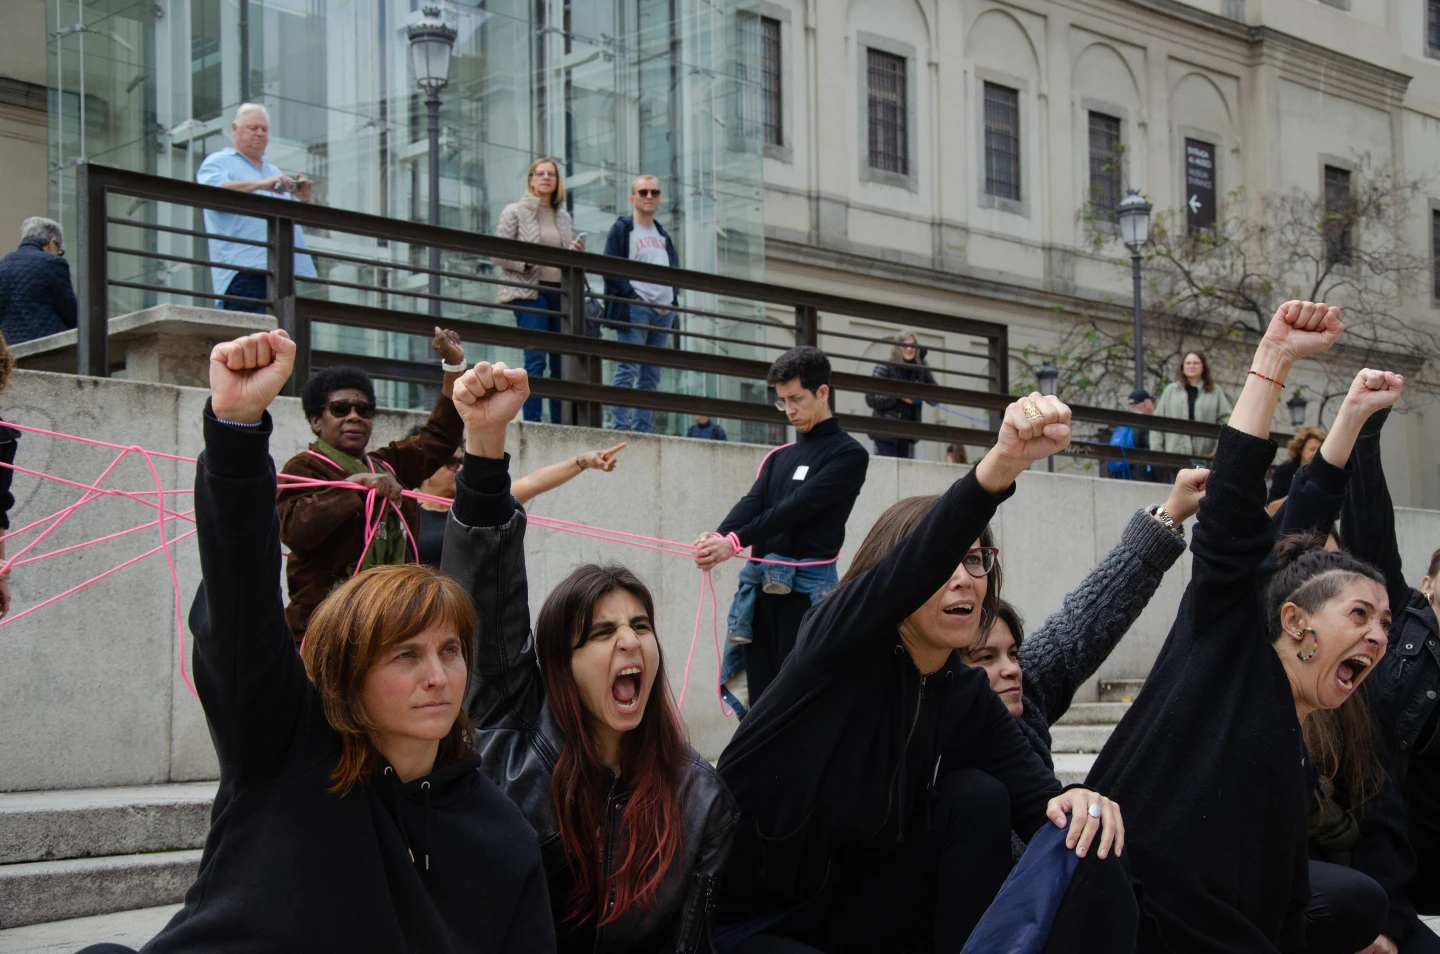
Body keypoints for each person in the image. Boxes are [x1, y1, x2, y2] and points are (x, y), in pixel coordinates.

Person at [73, 330, 554, 954]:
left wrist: (482, 439)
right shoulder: (285, 757)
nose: (438, 677)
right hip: (309, 630)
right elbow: (243, 605)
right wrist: (238, 428)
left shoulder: (501, 834)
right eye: (407, 656)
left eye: (450, 652)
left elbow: (441, 460)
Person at [713, 389, 1130, 954]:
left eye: (977, 560)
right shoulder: (835, 645)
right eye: (947, 560)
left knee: (983, 800)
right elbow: (910, 568)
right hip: (751, 922)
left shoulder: (963, 693)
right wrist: (1000, 467)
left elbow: (1040, 806)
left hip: (860, 909)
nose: (964, 578)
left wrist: (1080, 803)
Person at [1085, 301, 1397, 954]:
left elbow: (1283, 899)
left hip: (1221, 929)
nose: (1377, 636)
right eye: (1360, 615)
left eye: (1384, 622)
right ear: (1296, 620)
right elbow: (1235, 515)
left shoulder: (1294, 738)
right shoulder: (1228, 636)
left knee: (1363, 906)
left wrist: (1353, 416)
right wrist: (1273, 360)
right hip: (1129, 915)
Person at [438, 360, 738, 953]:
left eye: (641, 625)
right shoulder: (512, 738)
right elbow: (487, 593)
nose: (629, 641)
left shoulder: (701, 800)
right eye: (600, 633)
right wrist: (485, 442)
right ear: (559, 663)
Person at [1317, 381, 1440, 953]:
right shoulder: (1401, 640)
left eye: (1379, 619)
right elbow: (1372, 545)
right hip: (1369, 877)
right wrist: (1364, 436)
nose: (1373, 630)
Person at [696, 346, 869, 708]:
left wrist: (734, 541)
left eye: (796, 399)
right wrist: (718, 536)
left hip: (807, 599)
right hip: (760, 595)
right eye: (782, 401)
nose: (789, 410)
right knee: (760, 700)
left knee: (800, 703)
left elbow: (798, 507)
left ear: (823, 392)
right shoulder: (778, 457)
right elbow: (754, 501)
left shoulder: (849, 455)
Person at [275, 328, 465, 641]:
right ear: (315, 420)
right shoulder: (302, 468)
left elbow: (441, 437)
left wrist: (454, 366)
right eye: (339, 409)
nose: (354, 417)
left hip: (392, 623)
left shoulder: (388, 464)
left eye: (364, 410)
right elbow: (296, 530)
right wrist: (354, 487)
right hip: (326, 629)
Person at [411, 437, 626, 567]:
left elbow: (533, 483)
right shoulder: (402, 511)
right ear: (425, 468)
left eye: (462, 461)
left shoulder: (474, 505)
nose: (460, 468)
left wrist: (583, 461)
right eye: (451, 463)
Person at [195, 103, 318, 313]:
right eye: (253, 128)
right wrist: (261, 184)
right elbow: (213, 191)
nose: (260, 134)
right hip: (243, 269)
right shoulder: (219, 162)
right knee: (252, 338)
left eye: (264, 129)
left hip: (282, 270)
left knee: (281, 340)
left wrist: (304, 200)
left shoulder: (274, 171)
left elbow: (303, 221)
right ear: (235, 129)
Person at [492, 157, 586, 424]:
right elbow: (497, 253)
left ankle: (560, 423)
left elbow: (564, 254)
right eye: (540, 173)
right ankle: (532, 421)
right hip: (529, 291)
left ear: (557, 182)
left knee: (561, 364)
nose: (546, 178)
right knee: (535, 361)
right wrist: (526, 260)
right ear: (531, 179)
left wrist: (575, 253)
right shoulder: (514, 211)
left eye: (551, 174)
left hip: (561, 293)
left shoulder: (564, 217)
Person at [604, 175, 679, 433]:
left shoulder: (662, 233)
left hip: (663, 310)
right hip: (636, 306)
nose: (649, 197)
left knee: (651, 375)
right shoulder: (624, 228)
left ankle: (643, 428)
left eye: (655, 192)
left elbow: (674, 269)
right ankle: (621, 427)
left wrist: (673, 301)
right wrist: (632, 296)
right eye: (644, 192)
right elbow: (610, 266)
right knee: (628, 368)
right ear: (632, 197)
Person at [0, 216, 76, 344]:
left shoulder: (2, 265)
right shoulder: (53, 263)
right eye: (59, 251)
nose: (58, 254)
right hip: (47, 347)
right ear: (52, 243)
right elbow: (70, 312)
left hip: (8, 349)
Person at [865, 331, 937, 459]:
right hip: (885, 431)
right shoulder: (885, 367)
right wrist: (898, 396)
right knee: (889, 471)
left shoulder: (921, 369)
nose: (909, 349)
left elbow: (936, 397)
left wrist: (921, 394)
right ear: (897, 348)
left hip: (907, 432)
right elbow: (871, 399)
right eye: (905, 346)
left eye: (913, 345)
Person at [1153, 350, 1232, 459]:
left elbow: (1226, 421)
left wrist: (1218, 449)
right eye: (1188, 363)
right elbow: (1157, 421)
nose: (1191, 366)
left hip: (1204, 457)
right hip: (1173, 456)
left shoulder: (1215, 391)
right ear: (1182, 367)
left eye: (1195, 363)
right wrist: (1156, 452)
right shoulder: (1170, 391)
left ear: (1203, 367)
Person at [1268, 424, 1328, 513]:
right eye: (1312, 449)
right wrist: (1296, 494)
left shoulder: (1326, 472)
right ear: (1300, 450)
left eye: (1319, 450)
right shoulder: (1284, 471)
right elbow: (1271, 507)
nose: (1316, 453)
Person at [1107, 389, 1161, 481]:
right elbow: (1153, 447)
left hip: (1121, 474)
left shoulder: (1122, 424)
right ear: (1147, 402)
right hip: (1140, 475)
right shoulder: (1145, 422)